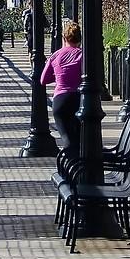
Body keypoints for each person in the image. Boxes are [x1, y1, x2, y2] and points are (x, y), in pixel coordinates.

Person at [43, 20, 84, 162]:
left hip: (60, 100)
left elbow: (43, 79)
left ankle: (68, 167)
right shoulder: (82, 55)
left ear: (64, 38)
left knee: (66, 136)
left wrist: (59, 75)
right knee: (79, 136)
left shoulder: (56, 55)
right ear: (80, 38)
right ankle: (80, 168)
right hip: (78, 99)